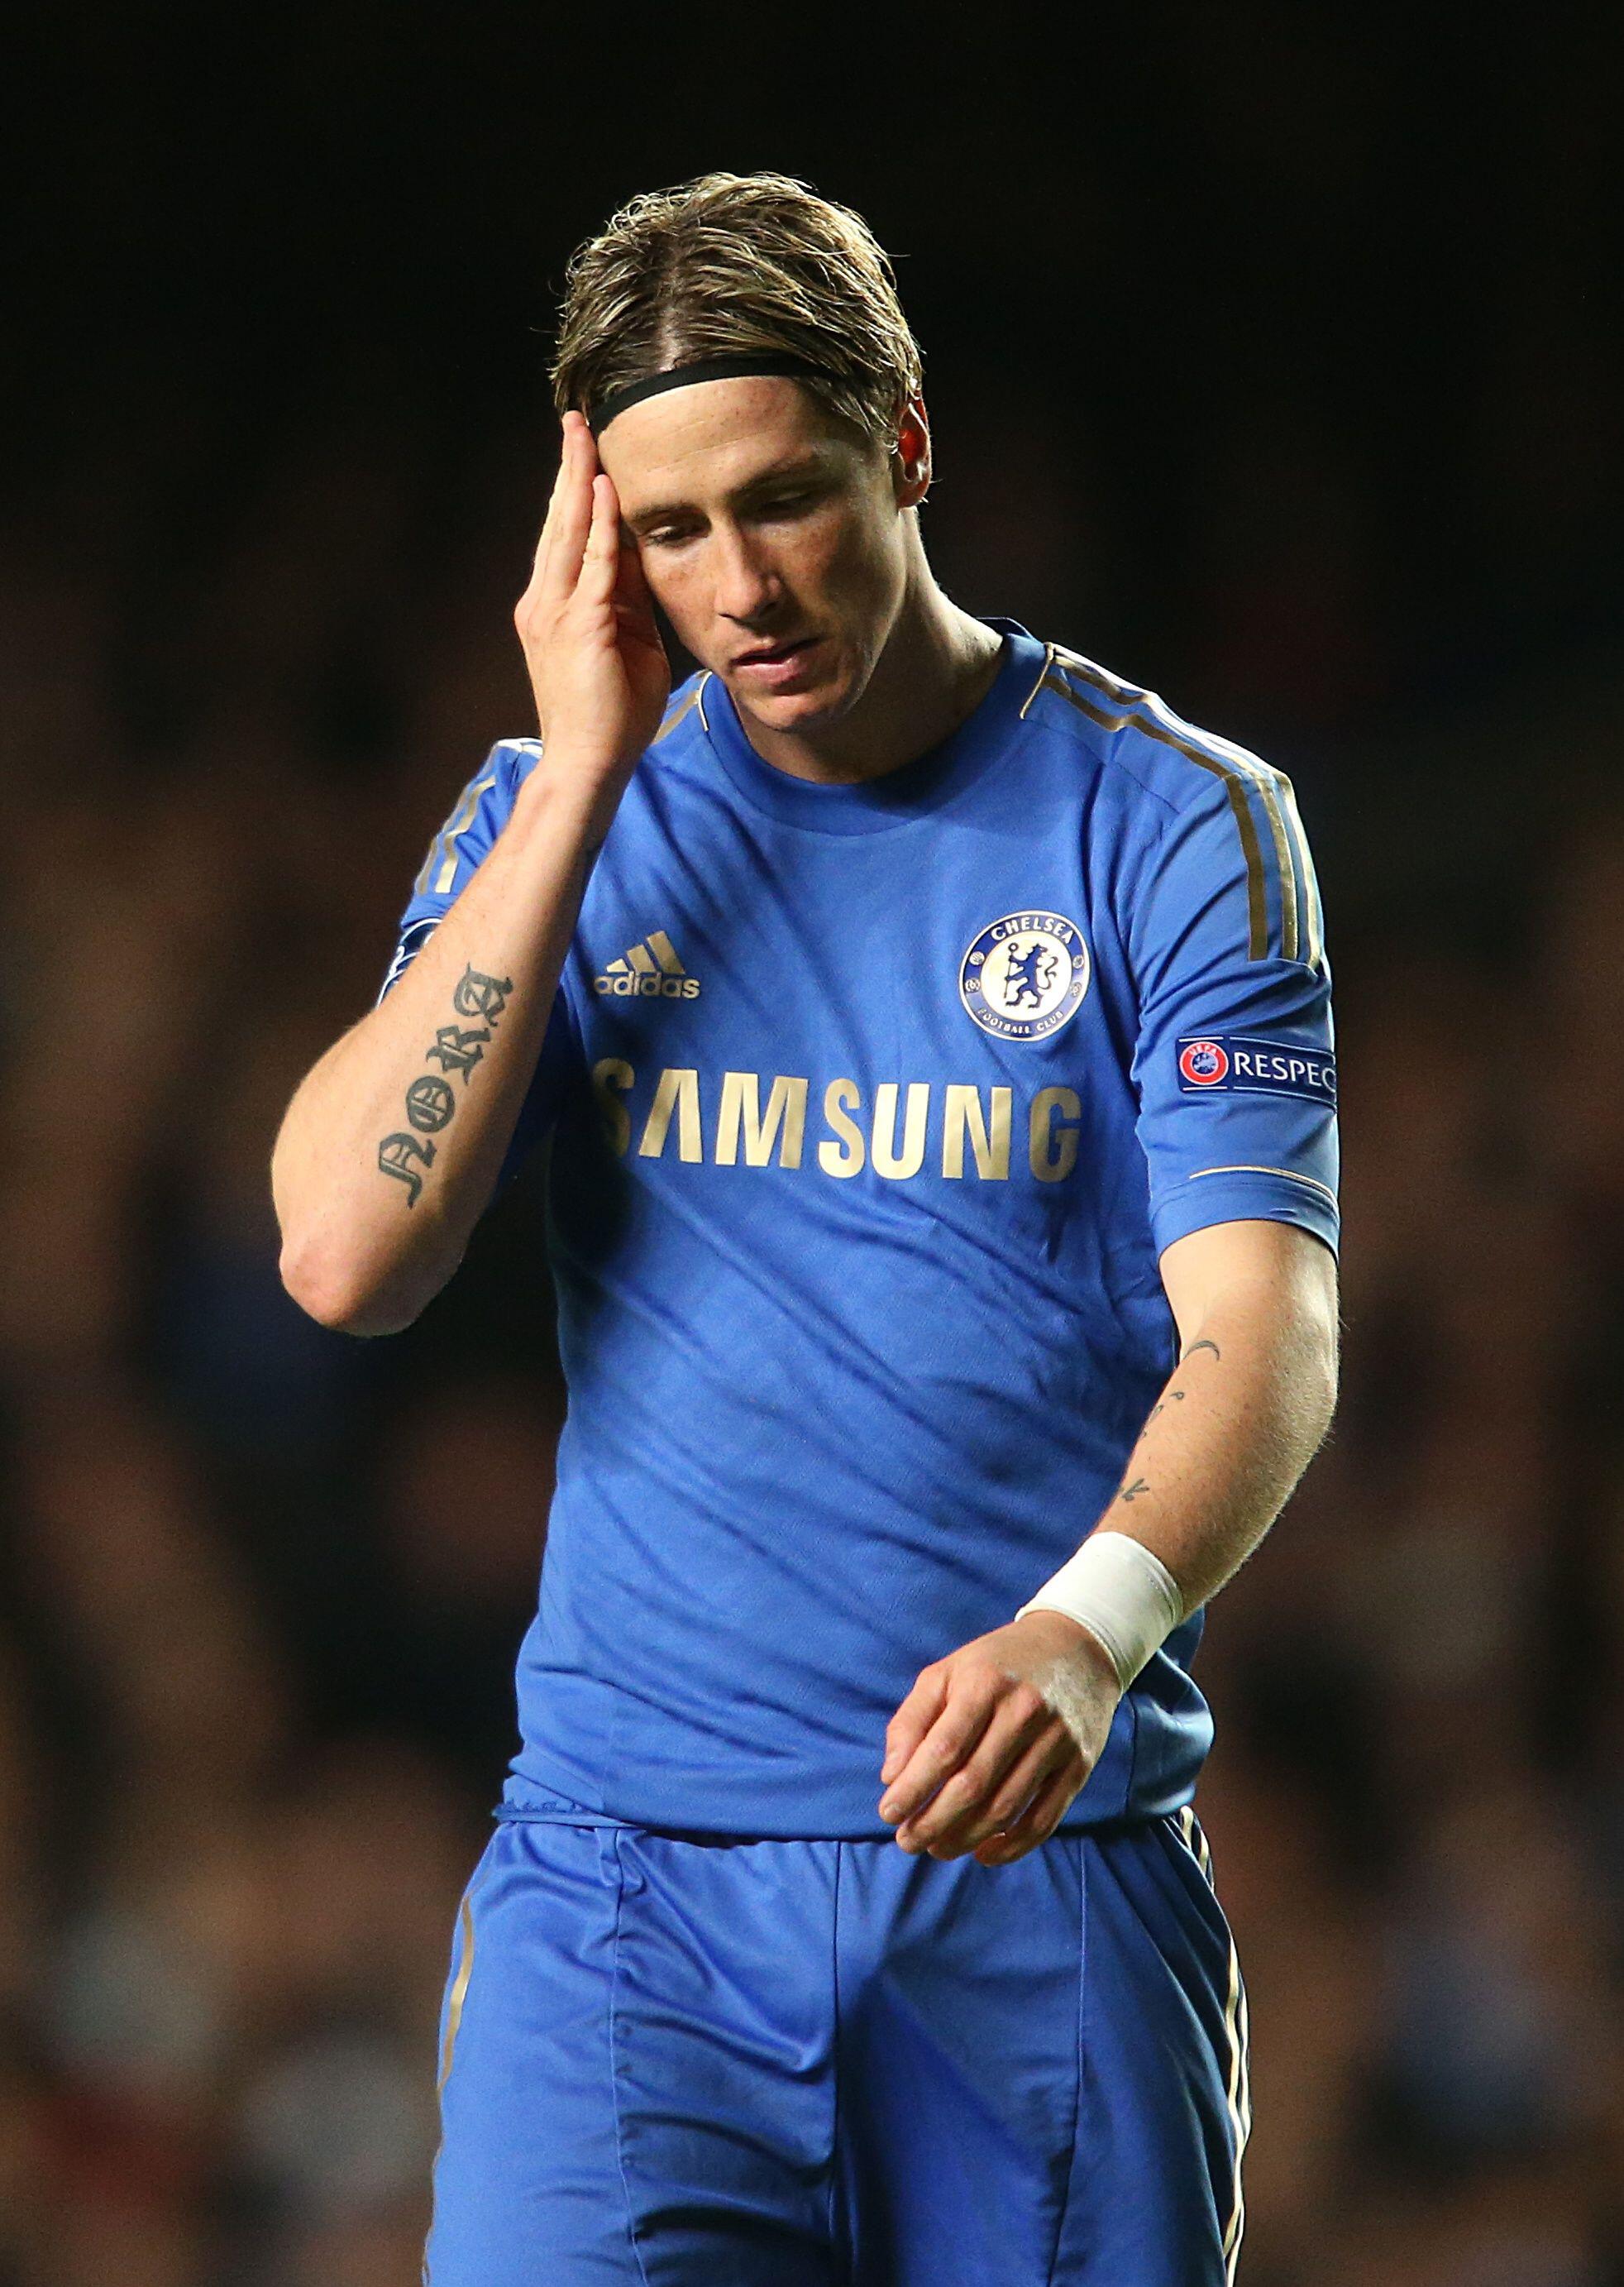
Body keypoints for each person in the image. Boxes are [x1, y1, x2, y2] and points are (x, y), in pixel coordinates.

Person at [271, 170, 1340, 2287]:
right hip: (625, 1898)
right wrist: (583, 775)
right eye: (669, 530)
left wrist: (1087, 1625)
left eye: (784, 499)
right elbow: (339, 1255)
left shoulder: (1171, 821)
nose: (739, 585)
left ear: (906, 444)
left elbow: (1267, 1334)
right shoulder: (552, 824)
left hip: (1038, 1875)